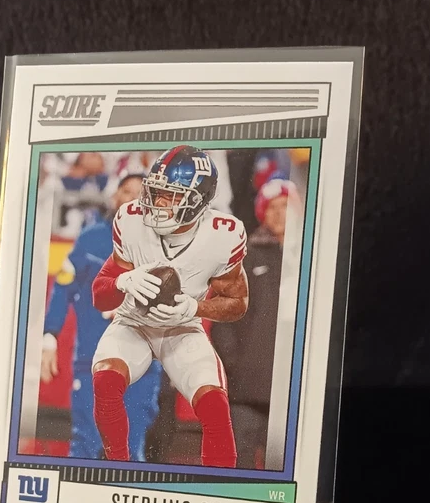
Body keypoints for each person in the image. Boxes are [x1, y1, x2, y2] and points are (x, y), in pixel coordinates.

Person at [91, 146, 248, 468]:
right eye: (156, 191)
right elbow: (100, 298)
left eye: (172, 196)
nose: (158, 203)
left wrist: (195, 308)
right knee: (105, 381)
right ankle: (117, 468)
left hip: (182, 327)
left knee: (215, 406)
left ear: (200, 200)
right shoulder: (130, 218)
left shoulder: (224, 234)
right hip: (134, 322)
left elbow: (238, 304)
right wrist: (122, 282)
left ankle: (220, 486)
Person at [41, 173, 161, 461]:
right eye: (127, 191)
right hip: (93, 362)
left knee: (131, 452)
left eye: (142, 194)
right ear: (114, 196)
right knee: (85, 447)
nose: (134, 199)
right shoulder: (90, 239)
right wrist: (49, 336)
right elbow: (63, 287)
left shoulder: (165, 247)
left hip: (142, 367)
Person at [213, 178, 300, 468]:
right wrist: (235, 364)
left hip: (293, 387)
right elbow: (223, 317)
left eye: (285, 206)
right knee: (242, 465)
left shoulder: (314, 256)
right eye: (271, 207)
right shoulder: (244, 258)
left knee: (286, 466)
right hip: (248, 387)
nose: (279, 213)